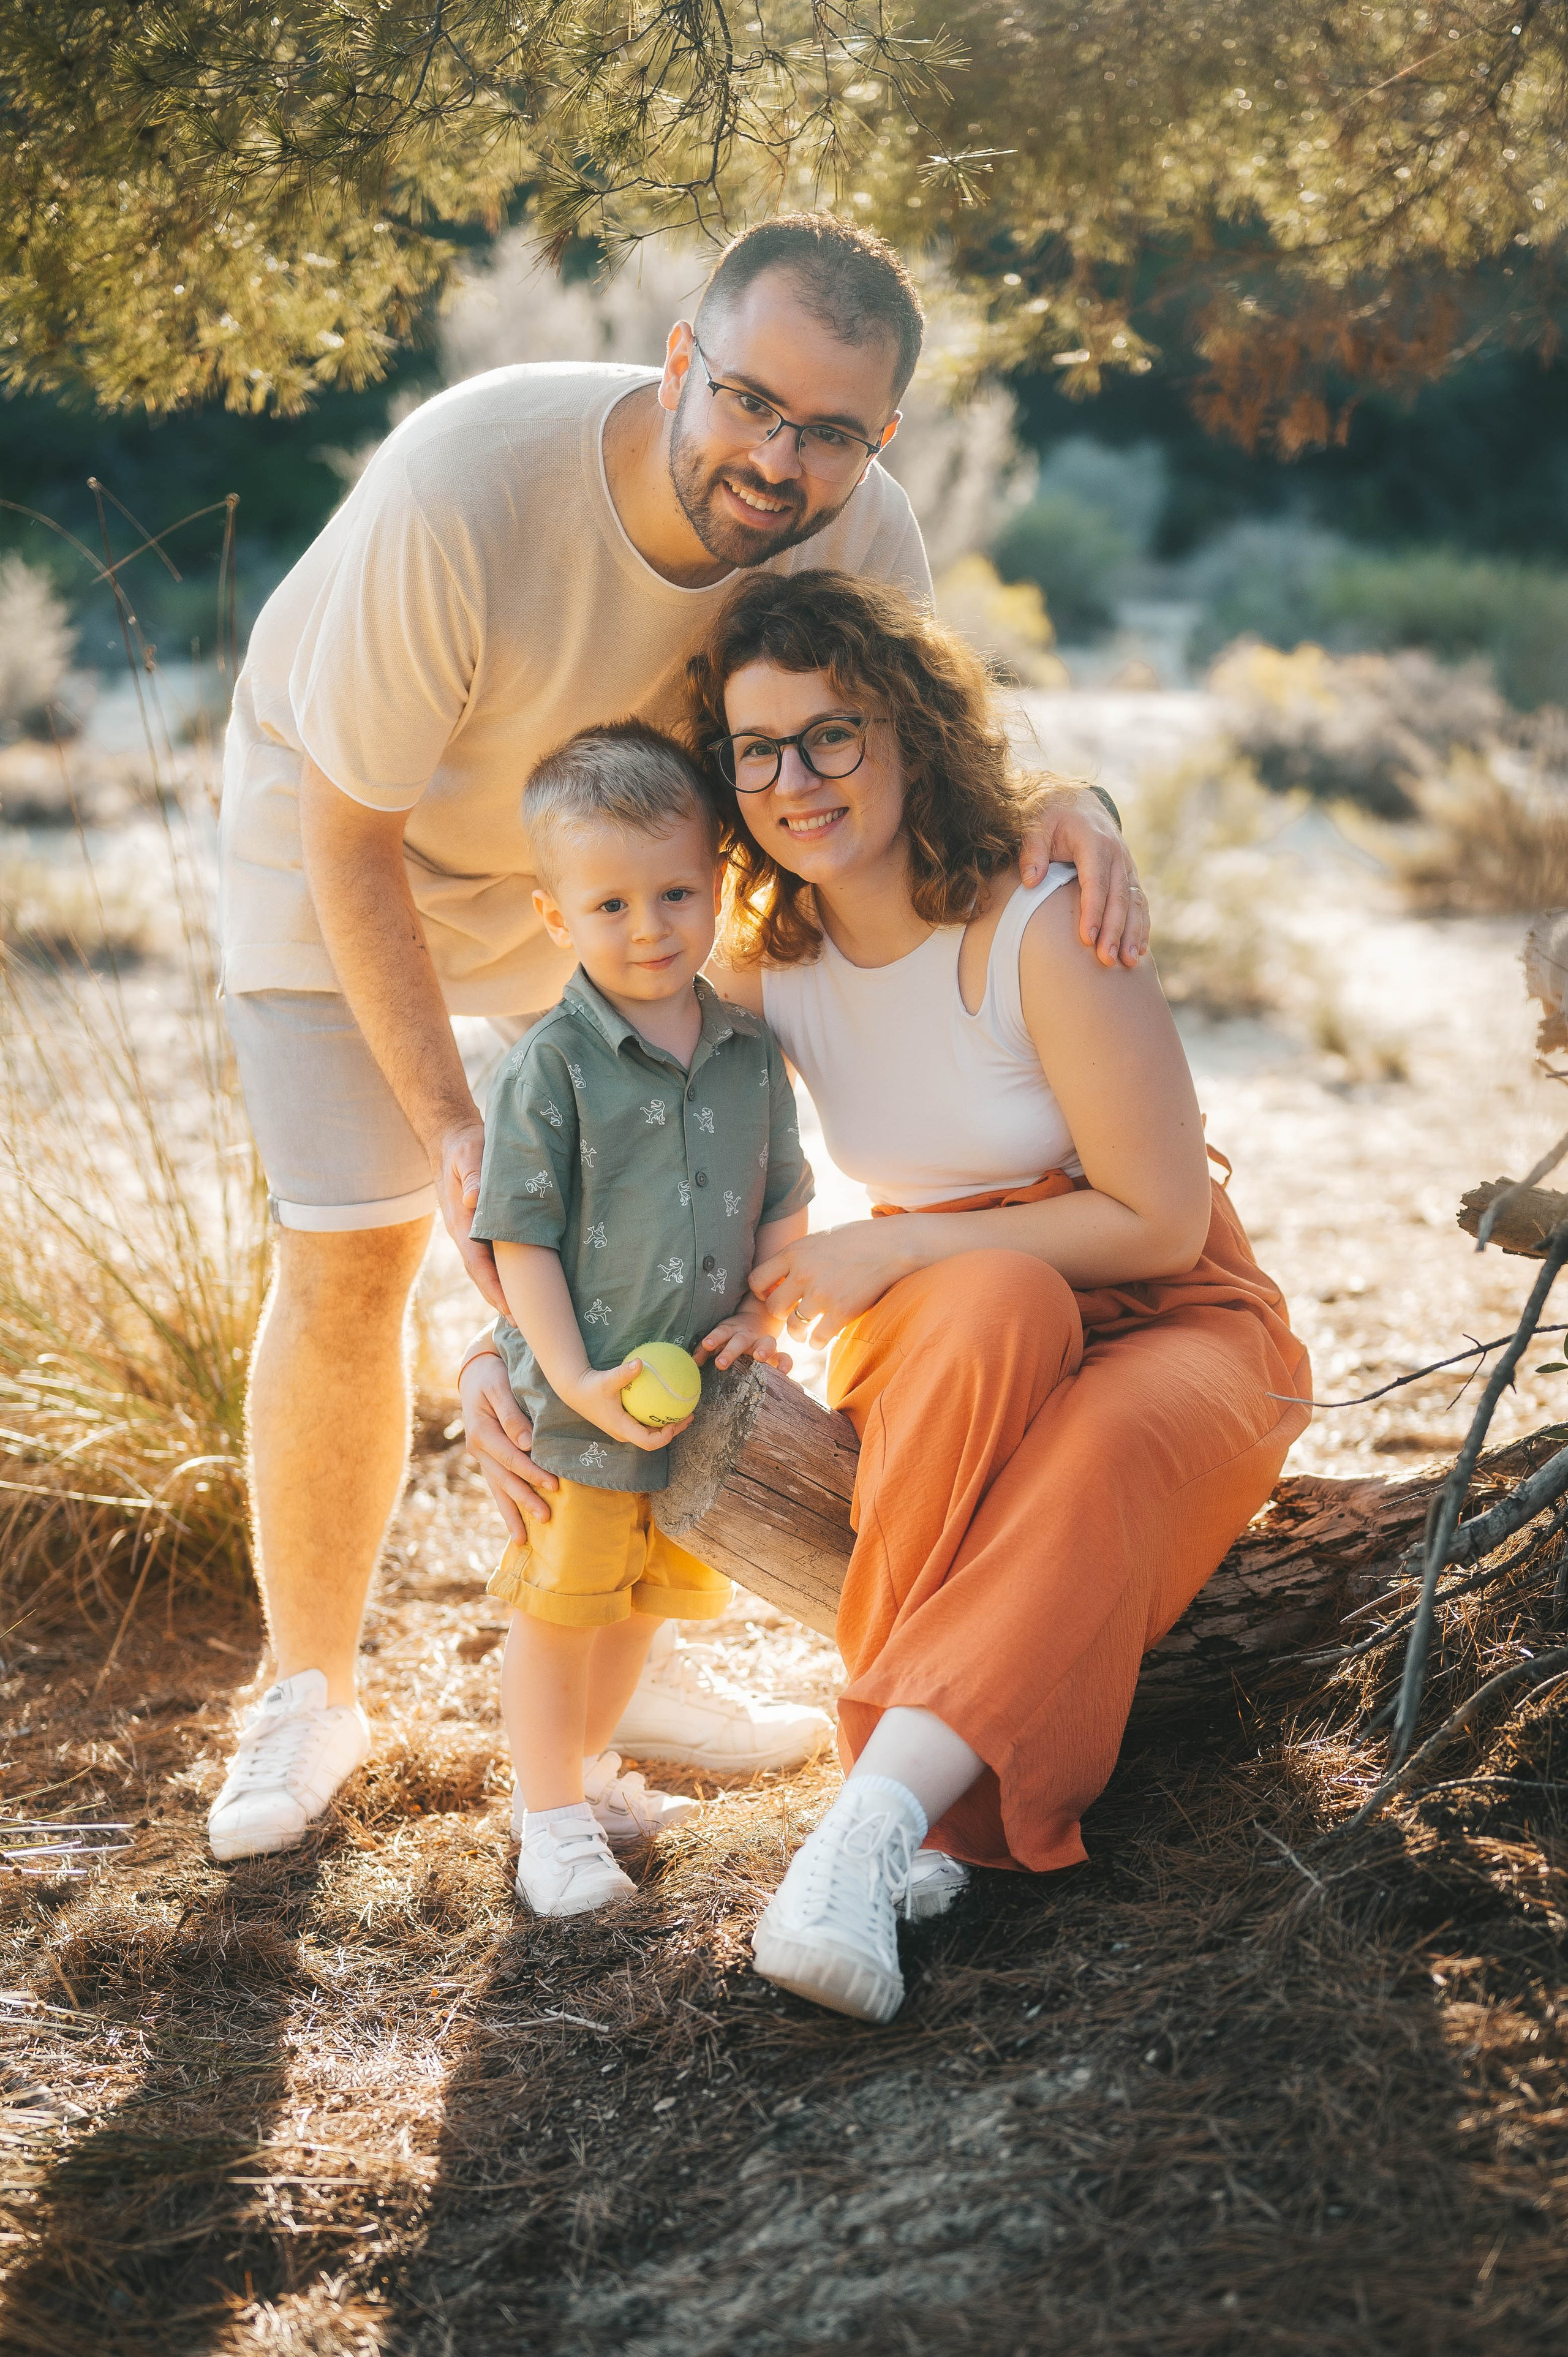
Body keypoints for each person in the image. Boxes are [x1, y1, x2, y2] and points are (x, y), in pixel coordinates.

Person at [208, 211, 1149, 1863]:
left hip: (636, 881)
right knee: (351, 1257)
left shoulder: (862, 536)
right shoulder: (467, 484)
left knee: (685, 1253)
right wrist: (457, 1135)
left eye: (831, 432)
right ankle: (311, 1691)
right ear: (677, 367)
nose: (780, 460)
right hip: (366, 851)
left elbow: (922, 762)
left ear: (883, 439)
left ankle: (625, 1649)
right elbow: (348, 838)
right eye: (749, 403)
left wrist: (1068, 798)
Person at [468, 569, 1309, 2019]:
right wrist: (501, 1349)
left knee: (1083, 1422)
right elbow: (607, 1146)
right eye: (756, 749)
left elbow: (1161, 1217)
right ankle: (916, 1813)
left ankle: (869, 1818)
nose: (794, 779)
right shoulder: (756, 960)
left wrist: (903, 1247)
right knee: (989, 1308)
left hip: (1179, 1313)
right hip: (968, 1318)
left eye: (831, 733)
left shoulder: (1038, 923)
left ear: (911, 730)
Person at [469, 720, 812, 1913]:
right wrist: (565, 1378)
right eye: (608, 905)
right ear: (555, 917)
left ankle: (588, 1775)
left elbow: (785, 1201)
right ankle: (545, 1819)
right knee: (560, 1612)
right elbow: (517, 1236)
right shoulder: (551, 1066)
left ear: (718, 881)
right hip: (581, 1405)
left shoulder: (747, 1054)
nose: (650, 925)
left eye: (674, 891)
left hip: (690, 1409)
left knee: (632, 1613)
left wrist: (766, 1312)